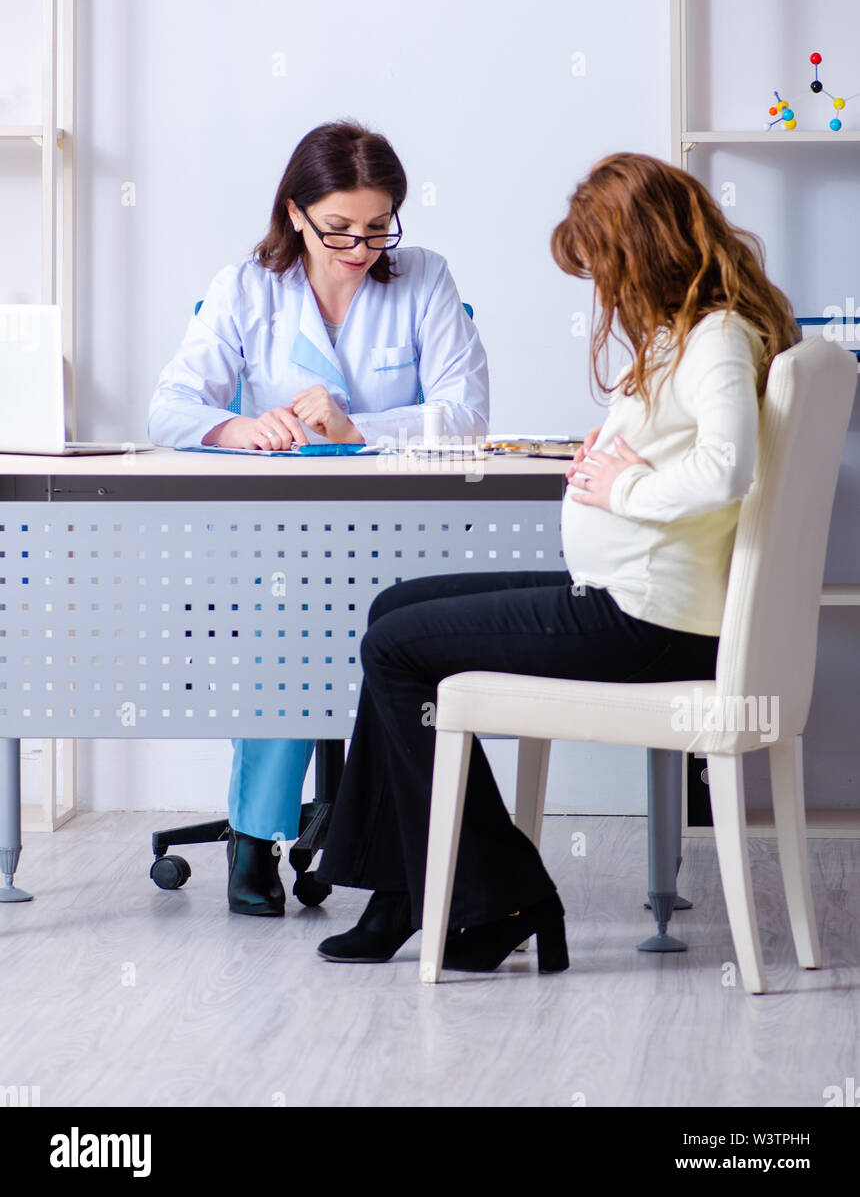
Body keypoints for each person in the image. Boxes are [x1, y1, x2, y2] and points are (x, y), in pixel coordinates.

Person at [314, 151, 800, 974]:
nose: (603, 291)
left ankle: (493, 896)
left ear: (643, 250)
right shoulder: (697, 329)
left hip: (646, 622)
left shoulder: (712, 336)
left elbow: (728, 469)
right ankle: (417, 887)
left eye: (603, 267)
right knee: (394, 609)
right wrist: (611, 458)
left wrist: (625, 486)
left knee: (394, 649)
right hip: (633, 601)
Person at [147, 120, 489, 916]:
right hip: (278, 537)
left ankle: (402, 846)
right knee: (283, 627)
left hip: (403, 532)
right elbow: (169, 407)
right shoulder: (247, 288)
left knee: (405, 643)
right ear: (296, 212)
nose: (359, 247)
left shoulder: (425, 281)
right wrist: (239, 427)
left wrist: (358, 426)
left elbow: (467, 415)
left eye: (377, 228)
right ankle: (257, 839)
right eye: (338, 228)